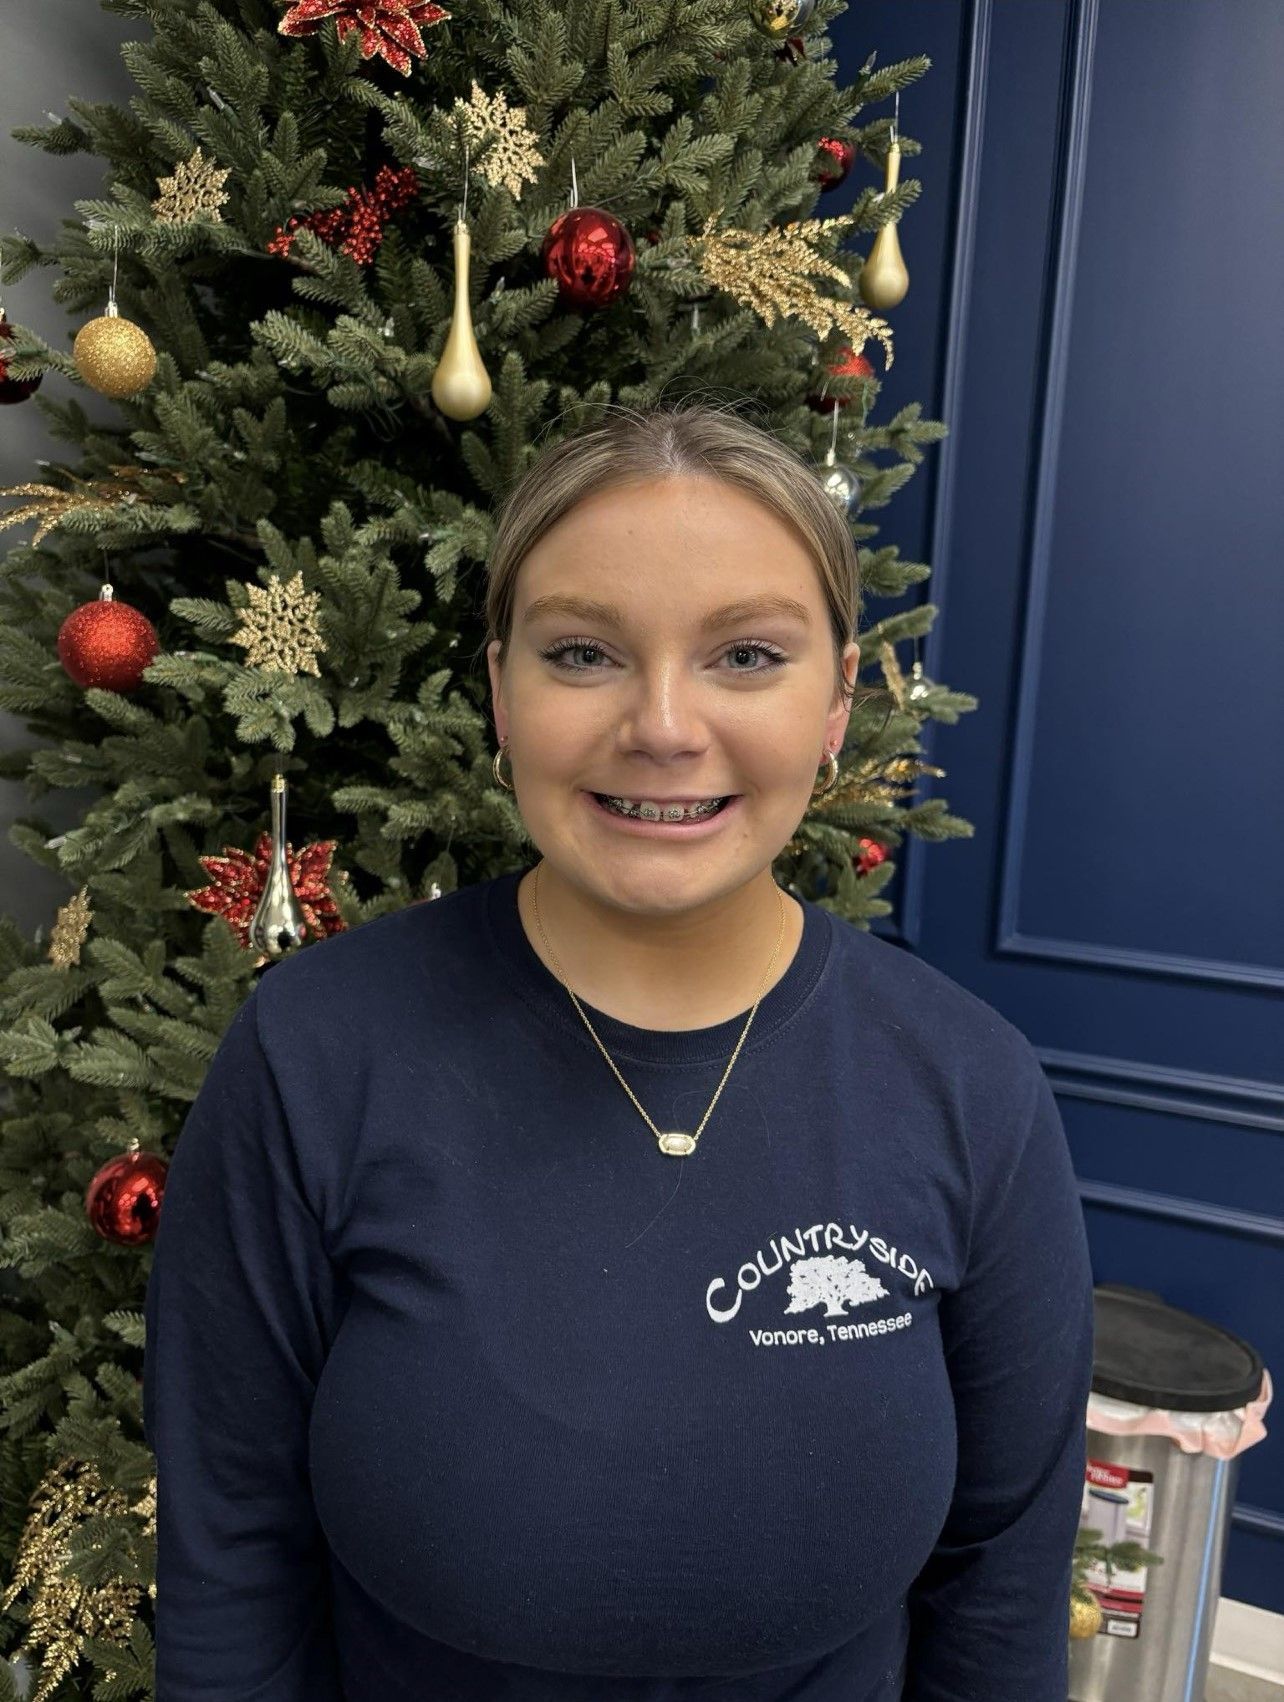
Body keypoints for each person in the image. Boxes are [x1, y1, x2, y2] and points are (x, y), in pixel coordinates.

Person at [144, 399, 1095, 1701]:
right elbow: (231, 1563)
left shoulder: (972, 1088)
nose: (663, 725)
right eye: (583, 652)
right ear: (501, 689)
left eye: (746, 654)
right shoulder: (312, 1054)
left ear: (838, 701)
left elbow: (1002, 1596)